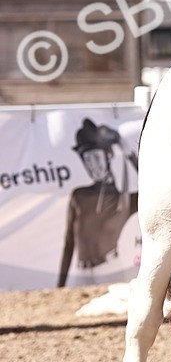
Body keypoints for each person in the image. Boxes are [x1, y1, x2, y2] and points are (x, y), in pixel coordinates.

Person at [57, 118, 139, 287]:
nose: (93, 165)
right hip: (81, 273)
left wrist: (125, 148)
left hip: (110, 270)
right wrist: (60, 285)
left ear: (108, 156)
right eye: (87, 159)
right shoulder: (79, 196)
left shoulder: (127, 200)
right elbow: (69, 242)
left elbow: (152, 183)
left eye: (96, 157)